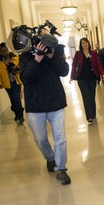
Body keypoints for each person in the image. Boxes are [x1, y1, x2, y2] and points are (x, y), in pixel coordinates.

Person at [19, 29, 71, 185]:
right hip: (35, 105)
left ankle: (61, 169)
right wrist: (37, 59)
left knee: (60, 139)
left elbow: (64, 71)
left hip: (56, 103)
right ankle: (50, 157)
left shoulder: (54, 52)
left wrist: (51, 57)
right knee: (40, 139)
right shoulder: (26, 56)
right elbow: (26, 78)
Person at [70, 37, 104, 124]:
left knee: (91, 96)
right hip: (82, 79)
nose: (85, 44)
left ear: (89, 44)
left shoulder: (93, 53)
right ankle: (89, 117)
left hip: (92, 78)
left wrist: (103, 74)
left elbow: (98, 65)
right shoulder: (78, 54)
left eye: (86, 42)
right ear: (81, 45)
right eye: (83, 43)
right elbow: (74, 65)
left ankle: (93, 114)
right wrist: (71, 76)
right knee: (86, 97)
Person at [0, 46, 25, 123]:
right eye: (2, 51)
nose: (4, 52)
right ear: (0, 52)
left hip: (16, 82)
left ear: (8, 50)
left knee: (17, 98)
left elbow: (20, 67)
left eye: (5, 50)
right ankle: (16, 114)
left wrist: (16, 68)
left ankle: (21, 116)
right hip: (7, 84)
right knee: (12, 100)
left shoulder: (14, 58)